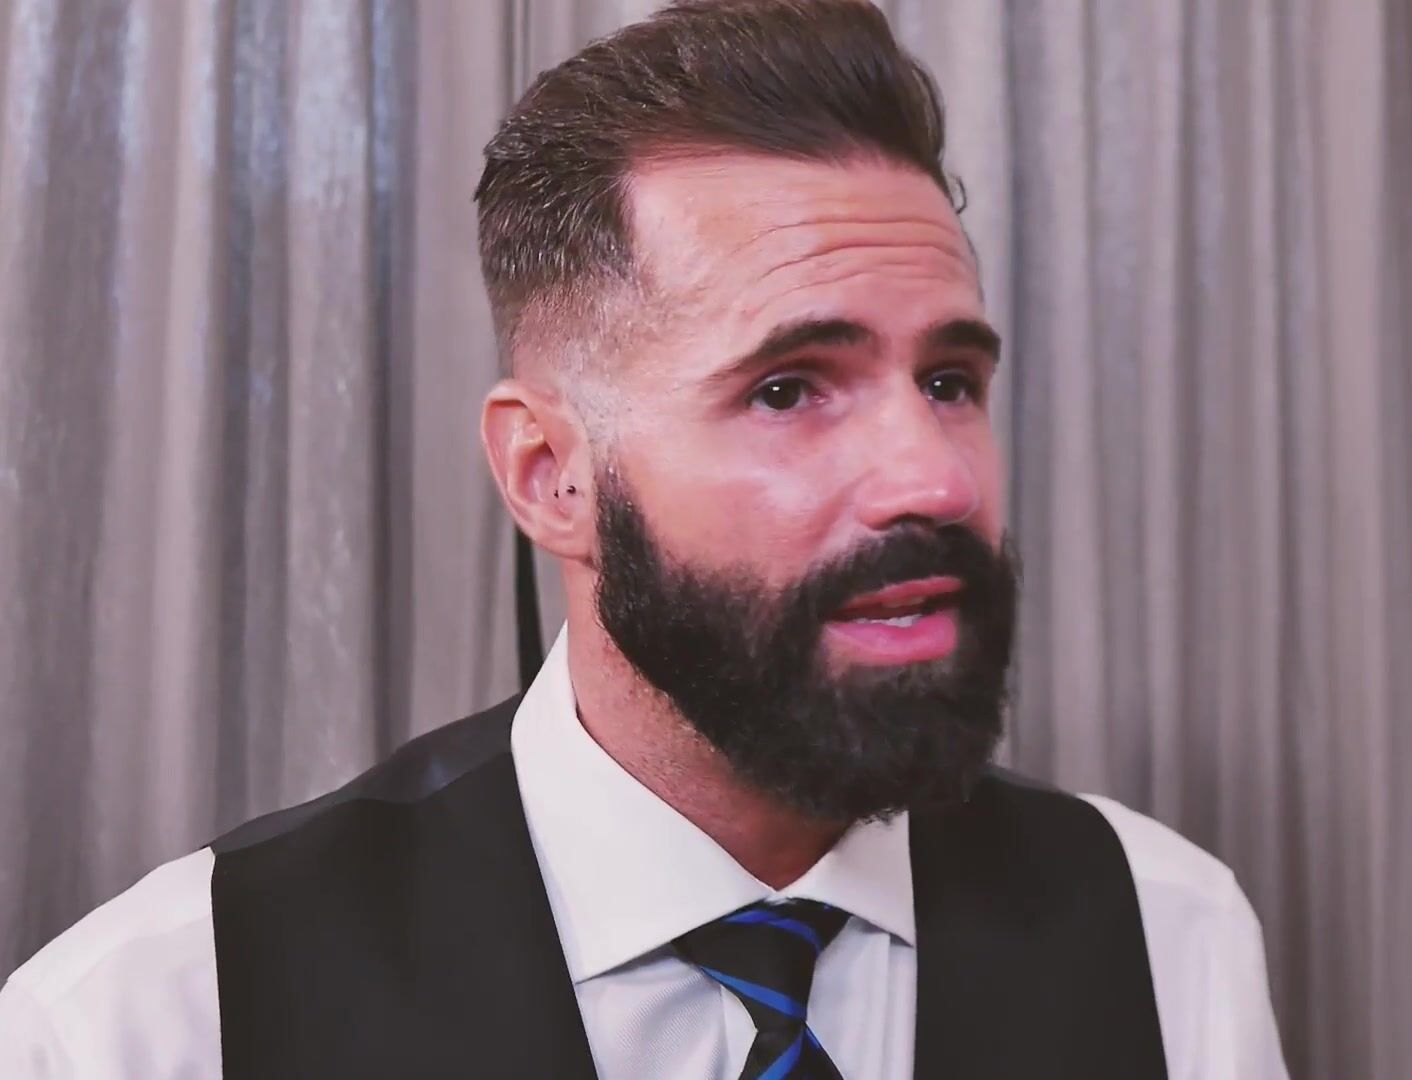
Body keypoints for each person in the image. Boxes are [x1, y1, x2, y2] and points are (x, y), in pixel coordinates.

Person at [0, 1, 1285, 1076]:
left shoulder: (1166, 937)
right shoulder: (155, 1022)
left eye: (950, 381)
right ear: (551, 476)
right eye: (788, 390)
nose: (934, 481)